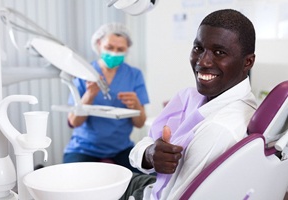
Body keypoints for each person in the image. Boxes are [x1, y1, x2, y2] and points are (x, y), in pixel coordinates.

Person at [120, 9, 257, 200]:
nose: (202, 61)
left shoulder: (219, 129)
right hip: (151, 184)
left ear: (248, 62)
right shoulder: (189, 96)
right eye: (198, 48)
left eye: (219, 52)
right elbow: (142, 146)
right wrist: (150, 154)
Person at [63, 22, 149, 173]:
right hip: (83, 149)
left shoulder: (134, 75)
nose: (114, 53)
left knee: (143, 181)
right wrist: (89, 95)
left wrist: (136, 105)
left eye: (120, 49)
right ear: (99, 44)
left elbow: (140, 123)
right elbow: (74, 122)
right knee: (75, 182)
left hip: (121, 149)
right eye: (110, 47)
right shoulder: (84, 73)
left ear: (127, 49)